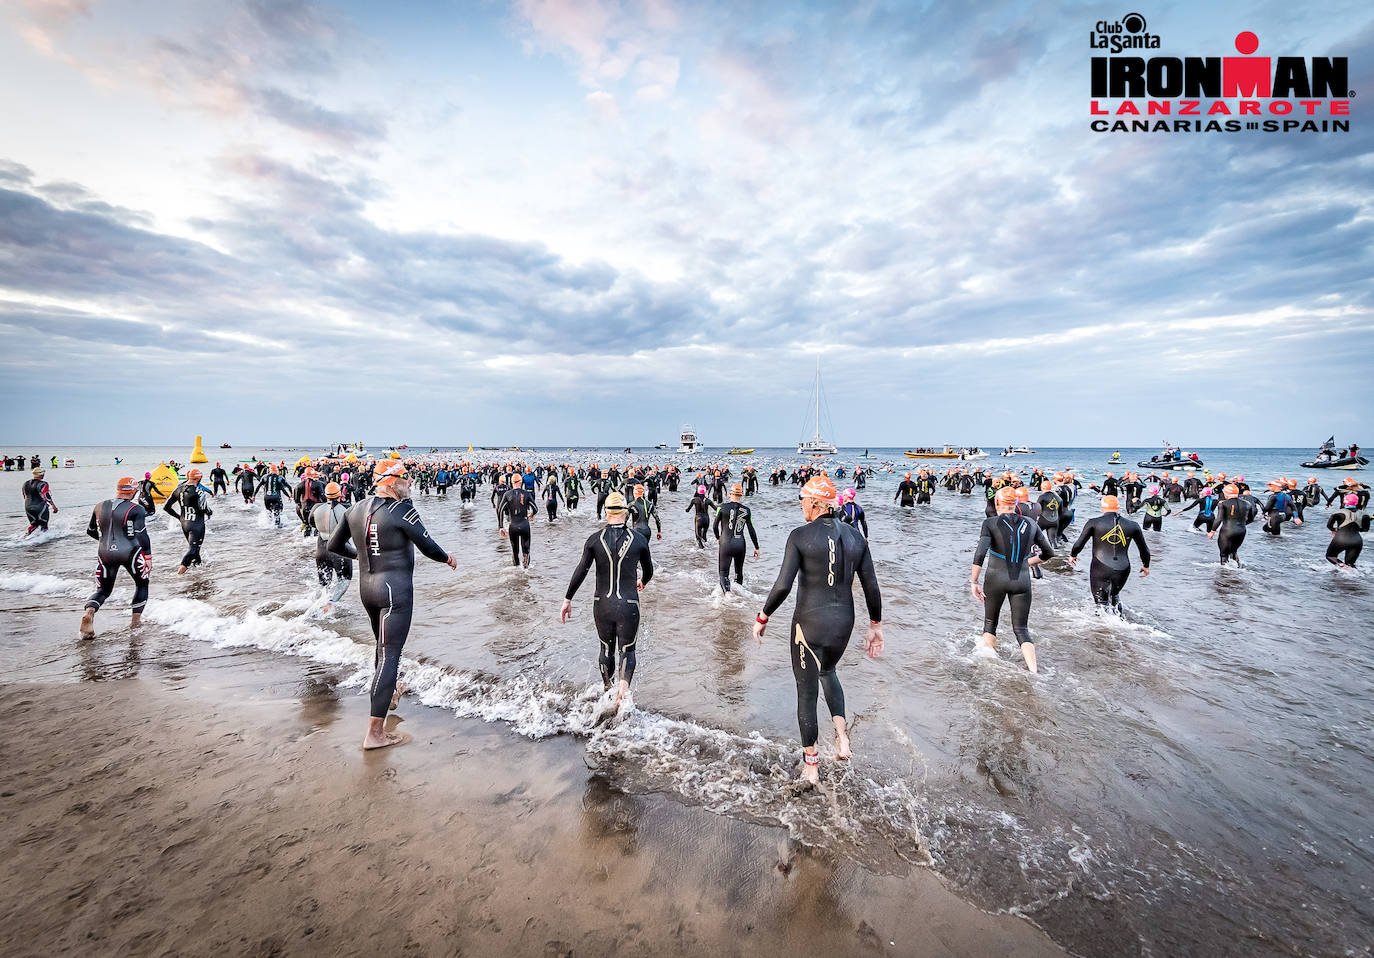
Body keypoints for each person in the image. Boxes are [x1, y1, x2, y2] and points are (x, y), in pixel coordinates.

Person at [754, 476, 883, 787]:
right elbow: (872, 587)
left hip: (808, 625)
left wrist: (762, 616)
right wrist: (875, 626)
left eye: (802, 500)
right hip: (844, 625)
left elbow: (783, 585)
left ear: (814, 503)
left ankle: (811, 769)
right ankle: (842, 739)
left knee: (806, 693)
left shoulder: (800, 536)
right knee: (829, 672)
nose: (801, 505)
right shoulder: (855, 537)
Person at [327, 461, 457, 750]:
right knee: (390, 656)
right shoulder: (402, 510)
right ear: (391, 481)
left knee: (382, 651)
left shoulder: (355, 508)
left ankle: (391, 694)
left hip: (368, 591)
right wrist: (447, 558)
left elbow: (333, 546)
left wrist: (362, 554)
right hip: (394, 593)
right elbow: (428, 546)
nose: (410, 482)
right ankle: (374, 733)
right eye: (406, 478)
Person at [560, 492, 654, 716]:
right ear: (625, 512)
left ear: (606, 512)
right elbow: (649, 570)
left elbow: (580, 572)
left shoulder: (594, 539)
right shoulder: (639, 540)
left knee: (606, 649)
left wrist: (567, 599)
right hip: (629, 603)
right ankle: (623, 691)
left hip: (601, 603)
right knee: (627, 651)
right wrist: (643, 581)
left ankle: (608, 690)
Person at [970, 486, 1054, 672]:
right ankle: (1034, 671)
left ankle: (990, 667)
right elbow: (1048, 553)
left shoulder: (990, 523)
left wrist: (974, 582)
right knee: (1021, 629)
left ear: (997, 503)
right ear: (1016, 504)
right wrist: (1027, 562)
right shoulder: (1031, 524)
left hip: (995, 580)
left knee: (990, 623)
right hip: (1022, 581)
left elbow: (980, 553)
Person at [79, 477, 151, 638]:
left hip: (105, 552)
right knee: (142, 584)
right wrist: (148, 556)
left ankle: (89, 613)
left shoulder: (99, 506)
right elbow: (141, 534)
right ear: (132, 491)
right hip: (130, 551)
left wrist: (106, 542)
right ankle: (135, 623)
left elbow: (91, 530)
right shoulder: (137, 509)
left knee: (103, 590)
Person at [1069, 495, 1150, 613]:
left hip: (1100, 567)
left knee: (1101, 604)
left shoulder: (1094, 523)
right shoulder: (1133, 525)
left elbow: (1079, 543)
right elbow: (1144, 549)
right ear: (1118, 507)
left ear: (1102, 507)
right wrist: (1146, 565)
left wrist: (1073, 555)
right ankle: (1120, 623)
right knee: (1115, 596)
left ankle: (1102, 629)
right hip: (1123, 568)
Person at [310, 482, 353, 612]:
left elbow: (311, 523)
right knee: (344, 580)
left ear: (325, 495)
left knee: (324, 584)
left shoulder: (316, 508)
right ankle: (330, 603)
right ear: (340, 494)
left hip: (321, 550)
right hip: (340, 551)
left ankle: (318, 604)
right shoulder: (347, 508)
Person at [163, 468, 213, 574]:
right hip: (197, 524)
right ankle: (179, 574)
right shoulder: (199, 491)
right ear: (199, 478)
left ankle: (199, 571)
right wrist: (209, 512)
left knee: (195, 549)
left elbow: (166, 507)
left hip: (184, 524)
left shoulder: (178, 489)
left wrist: (179, 517)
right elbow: (204, 508)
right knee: (193, 549)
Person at [713, 483, 760, 593]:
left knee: (723, 574)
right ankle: (740, 595)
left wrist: (718, 538)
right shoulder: (747, 510)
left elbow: (715, 526)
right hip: (740, 545)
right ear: (741, 494)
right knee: (739, 573)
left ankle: (728, 595)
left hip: (725, 543)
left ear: (730, 493)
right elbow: (751, 530)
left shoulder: (721, 507)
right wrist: (756, 547)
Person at [1208, 484, 1255, 566]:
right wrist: (1240, 525)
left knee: (1224, 555)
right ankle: (1237, 571)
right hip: (1241, 531)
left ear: (1226, 493)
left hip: (1227, 531)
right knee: (1233, 552)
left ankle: (1224, 576)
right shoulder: (1247, 503)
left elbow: (1219, 518)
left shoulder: (1223, 503)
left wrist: (1212, 531)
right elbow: (1251, 519)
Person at [498, 482, 538, 567]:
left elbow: (500, 510)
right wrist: (531, 514)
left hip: (513, 526)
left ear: (512, 482)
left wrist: (501, 526)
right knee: (526, 551)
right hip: (524, 525)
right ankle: (525, 570)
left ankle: (517, 571)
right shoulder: (526, 493)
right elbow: (535, 508)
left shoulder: (507, 494)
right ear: (521, 482)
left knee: (515, 551)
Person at [1326, 494, 1368, 568]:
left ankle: (1342, 565)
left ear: (1344, 502)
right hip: (1357, 541)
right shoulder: (1365, 515)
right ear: (1356, 502)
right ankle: (1357, 577)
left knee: (1330, 556)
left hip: (1340, 539)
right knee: (1350, 564)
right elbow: (1365, 529)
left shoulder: (1337, 513)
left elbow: (1329, 526)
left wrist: (1334, 529)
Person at [21, 467, 58, 536]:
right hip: (40, 506)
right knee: (44, 524)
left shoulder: (25, 483)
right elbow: (46, 495)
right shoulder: (43, 484)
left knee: (34, 524)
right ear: (41, 474)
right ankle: (44, 541)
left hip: (28, 506)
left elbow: (24, 496)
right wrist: (53, 506)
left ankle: (26, 536)